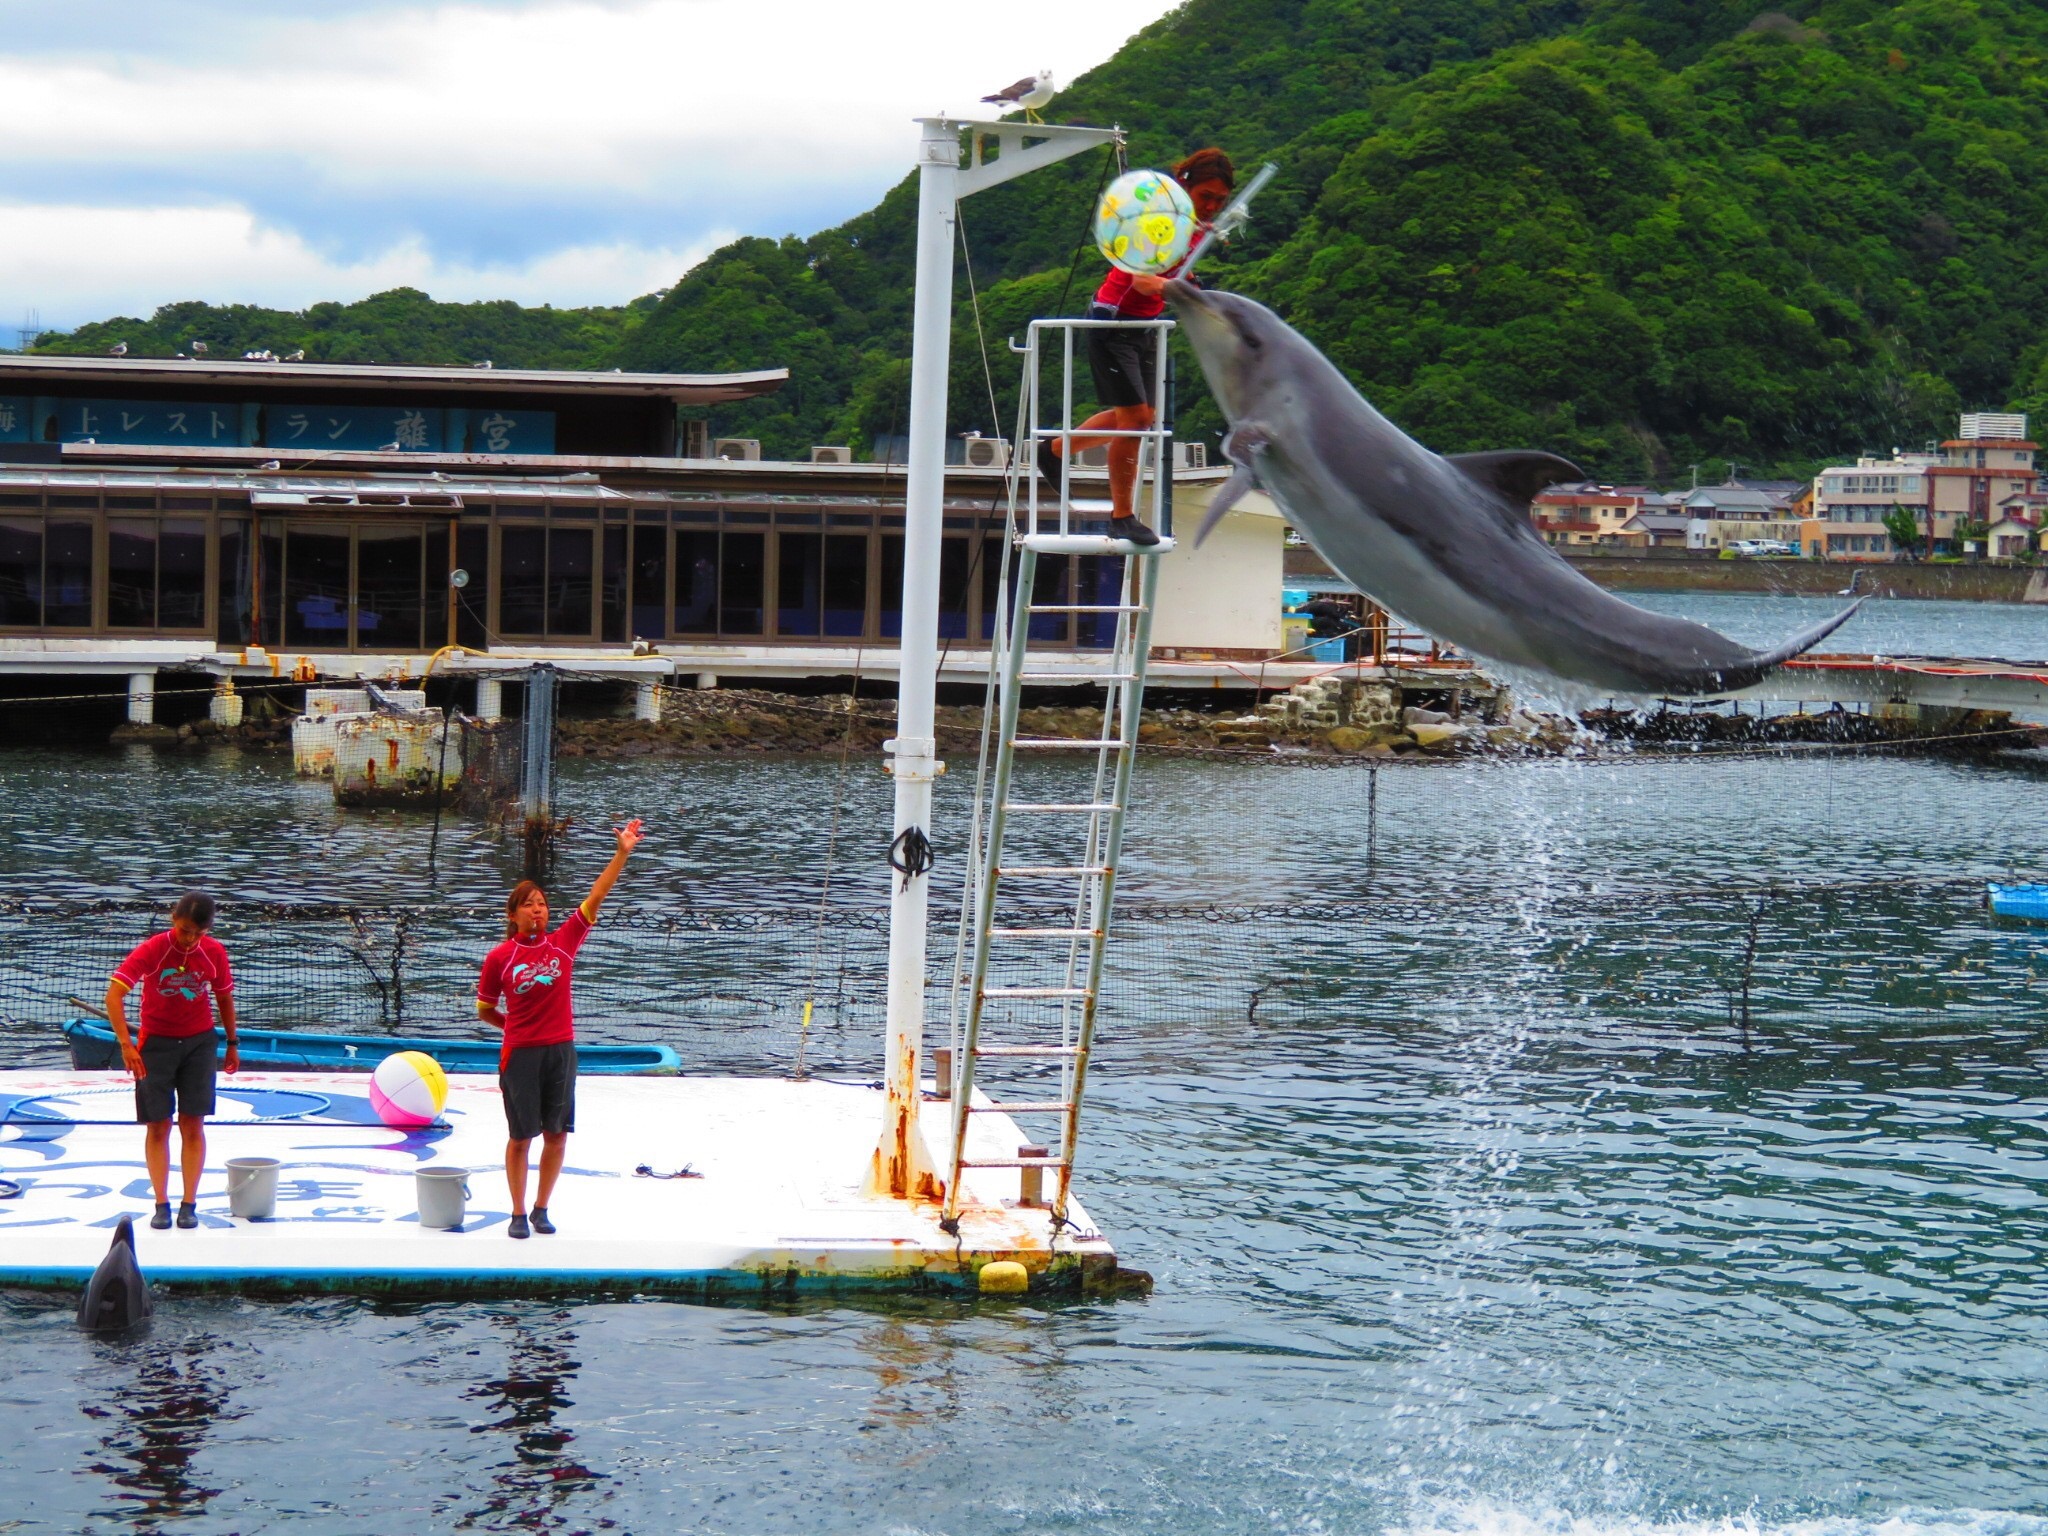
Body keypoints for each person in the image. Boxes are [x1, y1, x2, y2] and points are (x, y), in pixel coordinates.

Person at [1039, 147, 1238, 546]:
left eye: (1220, 200)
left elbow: (1170, 269)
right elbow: (1144, 279)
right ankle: (1122, 516)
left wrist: (1190, 283)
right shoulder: (1161, 220)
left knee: (1142, 416)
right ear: (1185, 188)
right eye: (1206, 197)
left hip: (1144, 324)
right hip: (1112, 320)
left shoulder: (1194, 227)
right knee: (1134, 420)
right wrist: (1184, 292)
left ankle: (1056, 450)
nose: (1213, 206)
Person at [476, 819, 643, 1239]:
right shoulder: (500, 957)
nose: (538, 910)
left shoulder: (564, 941)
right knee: (521, 1137)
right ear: (513, 915)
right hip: (521, 1054)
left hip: (560, 1051)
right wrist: (511, 1028)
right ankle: (516, 1212)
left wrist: (622, 852)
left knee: (556, 1134)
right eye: (529, 905)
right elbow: (485, 1009)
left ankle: (541, 1208)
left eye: (542, 903)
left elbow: (597, 895)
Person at [105, 891, 240, 1231]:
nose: (190, 939)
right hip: (156, 1044)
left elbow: (224, 998)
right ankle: (161, 1203)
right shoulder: (154, 949)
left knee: (192, 1122)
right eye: (184, 930)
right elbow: (114, 994)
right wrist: (126, 1044)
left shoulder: (213, 952)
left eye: (198, 932)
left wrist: (232, 1043)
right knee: (158, 1124)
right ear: (173, 920)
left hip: (199, 1043)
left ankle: (189, 1203)